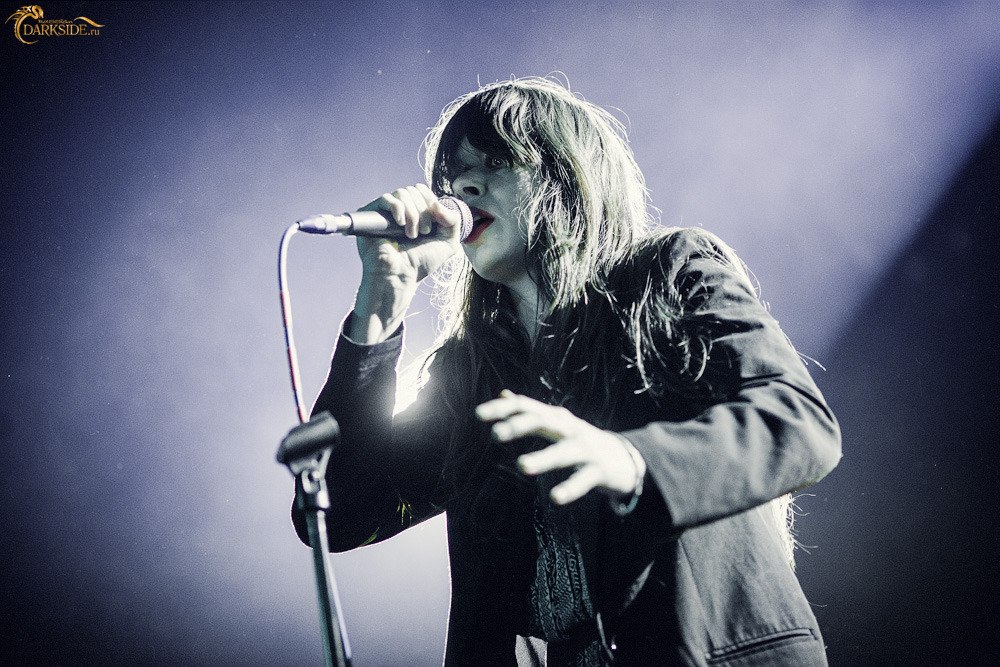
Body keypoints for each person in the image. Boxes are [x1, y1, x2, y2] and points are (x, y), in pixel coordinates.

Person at [292, 77, 841, 666]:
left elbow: (801, 423)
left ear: (569, 175)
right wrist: (383, 299)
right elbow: (342, 513)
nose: (463, 186)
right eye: (453, 174)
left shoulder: (671, 273)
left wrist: (631, 461)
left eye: (495, 162)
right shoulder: (471, 376)